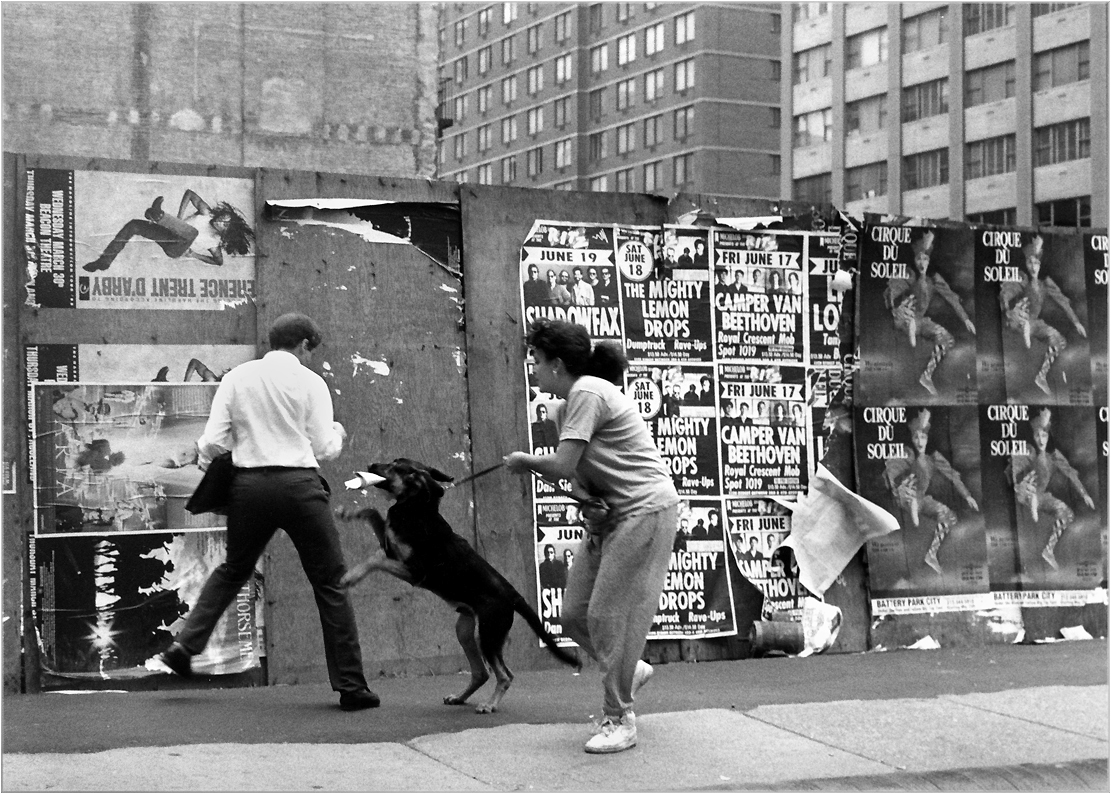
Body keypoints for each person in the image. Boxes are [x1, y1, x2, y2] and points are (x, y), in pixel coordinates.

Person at [157, 313, 379, 712]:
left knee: (232, 570)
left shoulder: (237, 378)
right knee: (330, 582)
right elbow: (325, 447)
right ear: (305, 345)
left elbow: (211, 443)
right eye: (312, 350)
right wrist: (340, 433)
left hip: (250, 489)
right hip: (300, 489)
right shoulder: (312, 383)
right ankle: (352, 687)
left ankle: (185, 646)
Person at [504, 318, 679, 755]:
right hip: (612, 517)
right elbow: (579, 475)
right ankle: (628, 668)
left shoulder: (588, 391)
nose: (535, 370)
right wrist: (588, 498)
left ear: (558, 364)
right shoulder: (567, 408)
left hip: (646, 510)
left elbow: (561, 465)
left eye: (538, 362)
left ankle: (620, 718)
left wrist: (525, 461)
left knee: (607, 617)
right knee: (575, 615)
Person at [884, 409, 979, 575]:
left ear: (927, 439)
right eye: (916, 437)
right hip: (904, 495)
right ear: (912, 439)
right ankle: (912, 508)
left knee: (949, 516)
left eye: (923, 437)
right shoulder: (906, 453)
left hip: (921, 499)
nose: (920, 441)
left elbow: (953, 476)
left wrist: (967, 495)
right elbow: (892, 473)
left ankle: (931, 554)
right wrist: (899, 487)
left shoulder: (933, 458)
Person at [883, 230, 976, 397]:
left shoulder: (933, 279)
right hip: (902, 316)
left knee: (947, 339)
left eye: (925, 259)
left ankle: (927, 375)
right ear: (914, 260)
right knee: (907, 311)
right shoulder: (909, 275)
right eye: (918, 258)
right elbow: (895, 291)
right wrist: (897, 306)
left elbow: (951, 298)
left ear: (929, 261)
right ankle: (910, 328)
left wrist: (966, 319)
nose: (922, 262)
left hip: (921, 321)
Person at [999, 235, 1088, 396]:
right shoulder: (1022, 278)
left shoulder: (1045, 284)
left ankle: (1041, 376)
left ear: (1040, 265)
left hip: (1035, 323)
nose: (1033, 266)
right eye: (1030, 263)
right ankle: (1025, 327)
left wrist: (1076, 322)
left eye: (1036, 263)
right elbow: (1008, 292)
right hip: (1017, 318)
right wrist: (1007, 308)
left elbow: (1063, 302)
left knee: (1060, 341)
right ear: (1026, 264)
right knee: (1022, 312)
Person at [1007, 408, 1095, 570]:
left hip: (1041, 496)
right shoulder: (1028, 450)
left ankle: (1049, 550)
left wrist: (1084, 494)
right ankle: (1032, 500)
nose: (1041, 439)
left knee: (1067, 514)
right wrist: (1020, 485)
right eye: (1037, 436)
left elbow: (1070, 473)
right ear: (1033, 436)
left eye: (1044, 435)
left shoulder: (1053, 455)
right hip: (1024, 493)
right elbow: (1014, 470)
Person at [84, 189, 254, 272]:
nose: (221, 221)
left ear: (226, 234)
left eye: (225, 225)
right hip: (168, 233)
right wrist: (179, 217)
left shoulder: (214, 243)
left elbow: (218, 262)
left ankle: (158, 215)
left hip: (175, 249)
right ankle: (104, 261)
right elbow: (189, 194)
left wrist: (194, 255)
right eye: (224, 217)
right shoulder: (206, 213)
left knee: (191, 234)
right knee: (134, 225)